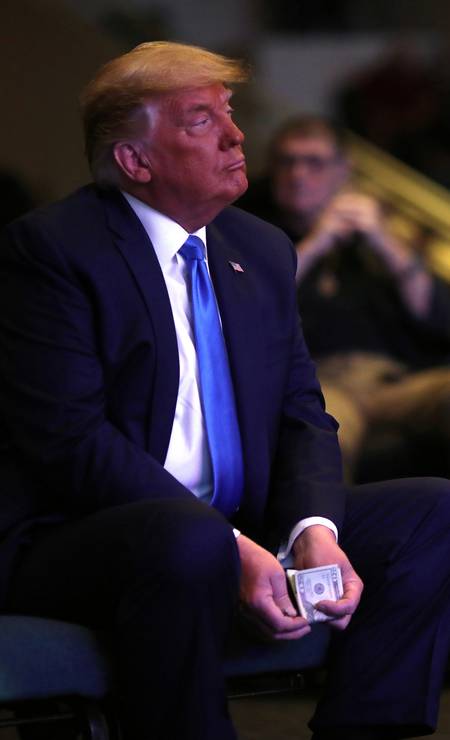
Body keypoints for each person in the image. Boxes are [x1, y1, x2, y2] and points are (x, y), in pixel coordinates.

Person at [0, 42, 450, 740]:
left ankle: (369, 730)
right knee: (192, 540)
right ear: (135, 161)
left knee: (433, 513)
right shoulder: (52, 251)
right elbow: (70, 444)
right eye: (202, 121)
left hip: (235, 523)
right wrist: (231, 543)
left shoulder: (262, 248)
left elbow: (303, 413)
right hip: (87, 534)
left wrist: (313, 532)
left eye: (230, 114)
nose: (239, 136)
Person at [240, 114, 450, 480]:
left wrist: (383, 239)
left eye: (314, 162)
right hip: (321, 383)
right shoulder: (251, 232)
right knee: (325, 438)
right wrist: (317, 242)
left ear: (343, 170)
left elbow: (434, 314)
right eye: (287, 161)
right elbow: (252, 307)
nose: (298, 174)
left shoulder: (375, 238)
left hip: (393, 382)